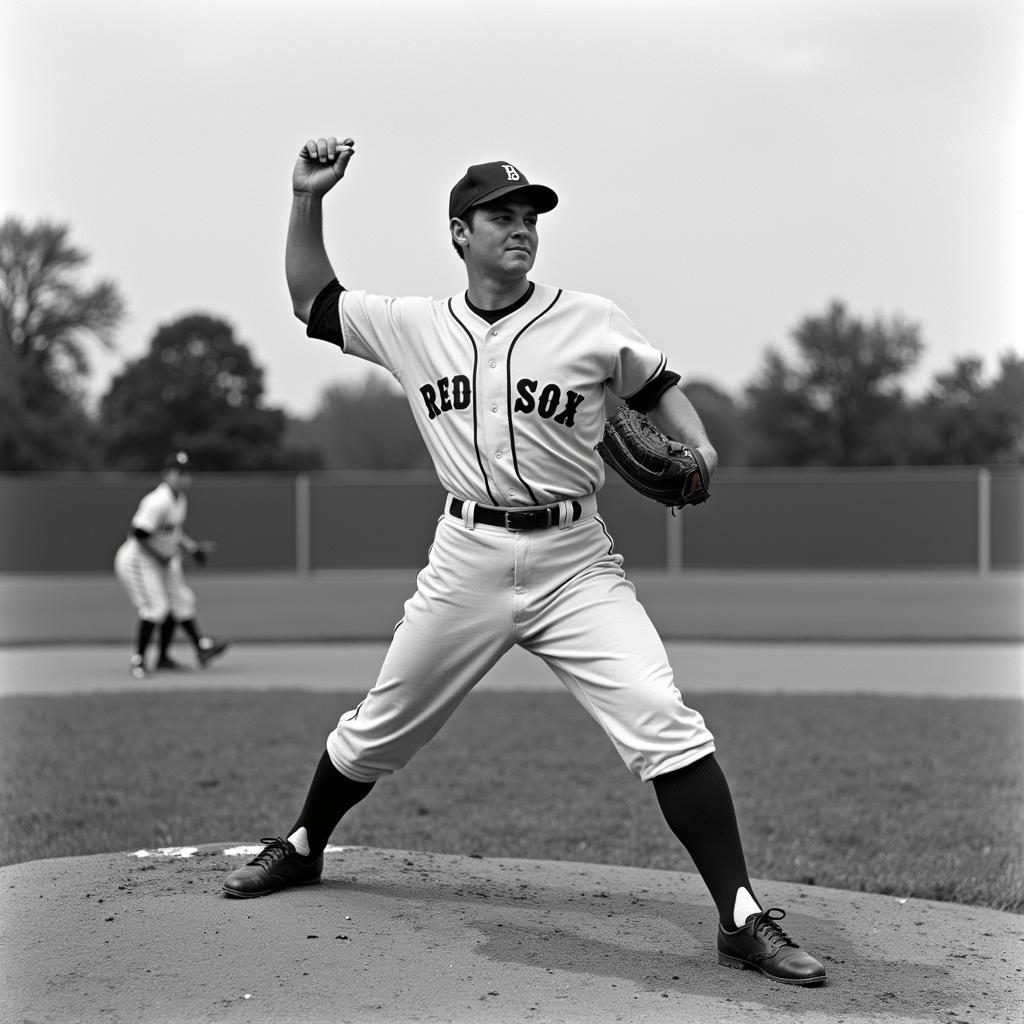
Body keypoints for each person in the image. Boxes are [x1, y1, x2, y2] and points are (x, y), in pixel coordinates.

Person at [221, 137, 828, 987]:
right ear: (459, 233)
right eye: (501, 216)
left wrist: (701, 447)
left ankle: (738, 916)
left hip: (574, 560)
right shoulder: (414, 326)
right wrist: (305, 197)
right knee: (380, 726)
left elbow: (658, 389)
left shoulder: (589, 318)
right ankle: (304, 842)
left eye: (530, 216)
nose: (522, 229)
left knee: (661, 715)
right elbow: (310, 299)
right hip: (466, 555)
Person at [113, 451, 229, 679]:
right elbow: (139, 533)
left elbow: (173, 532)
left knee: (181, 601)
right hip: (139, 560)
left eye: (188, 473)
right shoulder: (157, 501)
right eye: (180, 473)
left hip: (162, 558)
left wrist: (192, 549)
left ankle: (177, 654)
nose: (185, 477)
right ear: (167, 474)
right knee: (156, 607)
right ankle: (138, 661)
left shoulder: (180, 499)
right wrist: (161, 556)